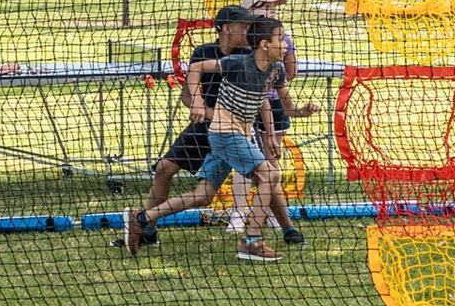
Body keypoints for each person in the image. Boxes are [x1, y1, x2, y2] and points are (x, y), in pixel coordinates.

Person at [130, 17, 316, 262]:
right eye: (280, 40)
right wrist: (197, 102)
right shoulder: (238, 63)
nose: (286, 45)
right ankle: (252, 241)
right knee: (269, 175)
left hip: (238, 135)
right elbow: (196, 69)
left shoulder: (275, 69)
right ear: (263, 44)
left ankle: (142, 218)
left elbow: (275, 104)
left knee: (204, 195)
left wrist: (297, 114)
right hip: (224, 134)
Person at [241, 0, 302, 238]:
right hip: (243, 106)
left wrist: (275, 79)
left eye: (273, 6)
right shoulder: (242, 41)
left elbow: (291, 71)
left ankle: (272, 215)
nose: (271, 11)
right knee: (245, 163)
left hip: (273, 102)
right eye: (265, 6)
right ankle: (239, 211)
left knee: (272, 159)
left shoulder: (283, 38)